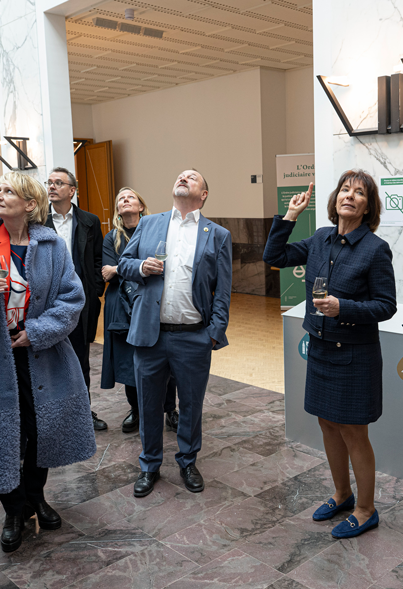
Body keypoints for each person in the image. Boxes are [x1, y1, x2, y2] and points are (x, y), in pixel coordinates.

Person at [263, 170, 396, 538]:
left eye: (359, 193)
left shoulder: (375, 249)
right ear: (335, 198)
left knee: (354, 432)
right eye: (344, 189)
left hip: (355, 355)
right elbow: (273, 255)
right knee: (327, 424)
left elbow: (386, 306)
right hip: (321, 352)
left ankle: (366, 509)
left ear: (368, 207)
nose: (349, 196)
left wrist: (345, 308)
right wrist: (289, 216)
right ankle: (342, 493)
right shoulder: (320, 239)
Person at [0, 171, 97, 553]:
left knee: (41, 429)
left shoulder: (52, 245)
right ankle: (13, 510)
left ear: (29, 204)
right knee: (4, 433)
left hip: (39, 351)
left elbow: (72, 298)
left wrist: (37, 331)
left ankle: (35, 497)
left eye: (9, 191)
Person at [117, 169, 231, 497]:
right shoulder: (150, 223)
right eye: (181, 175)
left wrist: (213, 332)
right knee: (149, 403)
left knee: (191, 404)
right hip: (150, 335)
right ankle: (149, 465)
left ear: (203, 194)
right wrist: (141, 267)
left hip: (194, 336)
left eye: (192, 177)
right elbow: (123, 264)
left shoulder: (217, 234)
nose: (183, 177)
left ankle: (187, 460)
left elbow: (223, 292)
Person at [101, 187, 179, 434]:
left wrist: (121, 267)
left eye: (130, 197)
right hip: (121, 307)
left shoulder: (157, 232)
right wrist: (128, 269)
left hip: (152, 302)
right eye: (120, 198)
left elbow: (163, 265)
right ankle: (135, 409)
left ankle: (170, 409)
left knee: (163, 357)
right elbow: (107, 274)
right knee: (129, 362)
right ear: (117, 209)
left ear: (141, 206)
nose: (125, 199)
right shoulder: (111, 237)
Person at [44, 167, 107, 431]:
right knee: (48, 359)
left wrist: (94, 288)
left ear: (72, 190)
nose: (52, 186)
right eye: (49, 182)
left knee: (80, 358)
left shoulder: (89, 221)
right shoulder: (37, 221)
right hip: (47, 301)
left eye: (59, 182)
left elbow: (97, 259)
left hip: (81, 301)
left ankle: (83, 412)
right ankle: (53, 416)